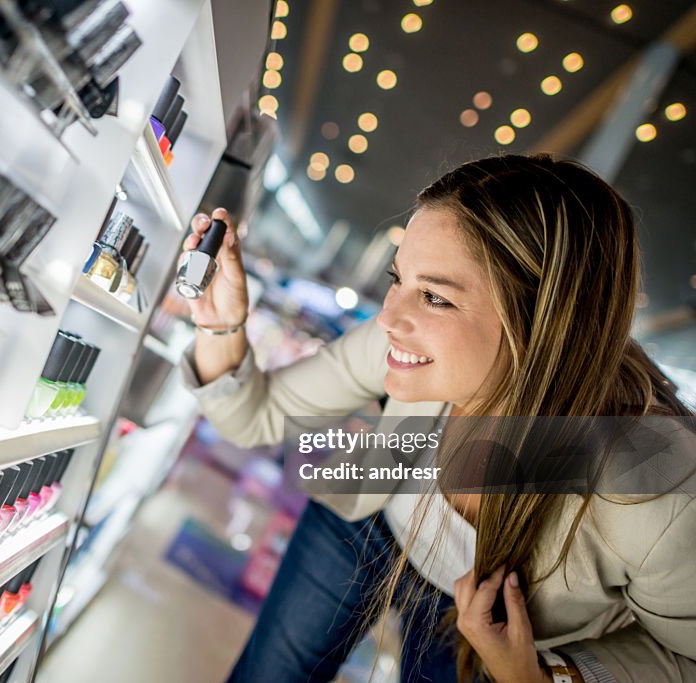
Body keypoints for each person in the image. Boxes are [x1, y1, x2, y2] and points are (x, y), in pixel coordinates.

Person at [179, 154, 696, 683]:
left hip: (493, 633)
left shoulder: (657, 485)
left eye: (434, 296)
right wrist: (221, 326)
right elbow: (255, 418)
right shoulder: (396, 344)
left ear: (541, 321)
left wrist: (545, 678)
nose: (388, 319)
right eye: (396, 280)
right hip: (367, 522)